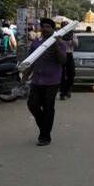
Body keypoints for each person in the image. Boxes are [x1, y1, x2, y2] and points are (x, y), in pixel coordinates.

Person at [26, 17, 67, 145]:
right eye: (43, 26)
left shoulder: (59, 43)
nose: (45, 29)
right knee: (32, 105)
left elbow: (63, 60)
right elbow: (31, 61)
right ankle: (44, 127)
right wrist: (25, 76)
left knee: (48, 107)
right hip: (37, 80)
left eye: (48, 27)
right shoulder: (36, 43)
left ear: (53, 29)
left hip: (52, 81)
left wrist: (55, 45)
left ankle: (44, 136)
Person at [59, 26, 76, 100]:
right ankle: (62, 92)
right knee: (61, 74)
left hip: (69, 55)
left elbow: (76, 45)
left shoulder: (73, 35)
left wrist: (71, 39)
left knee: (71, 74)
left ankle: (68, 89)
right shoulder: (59, 34)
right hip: (61, 55)